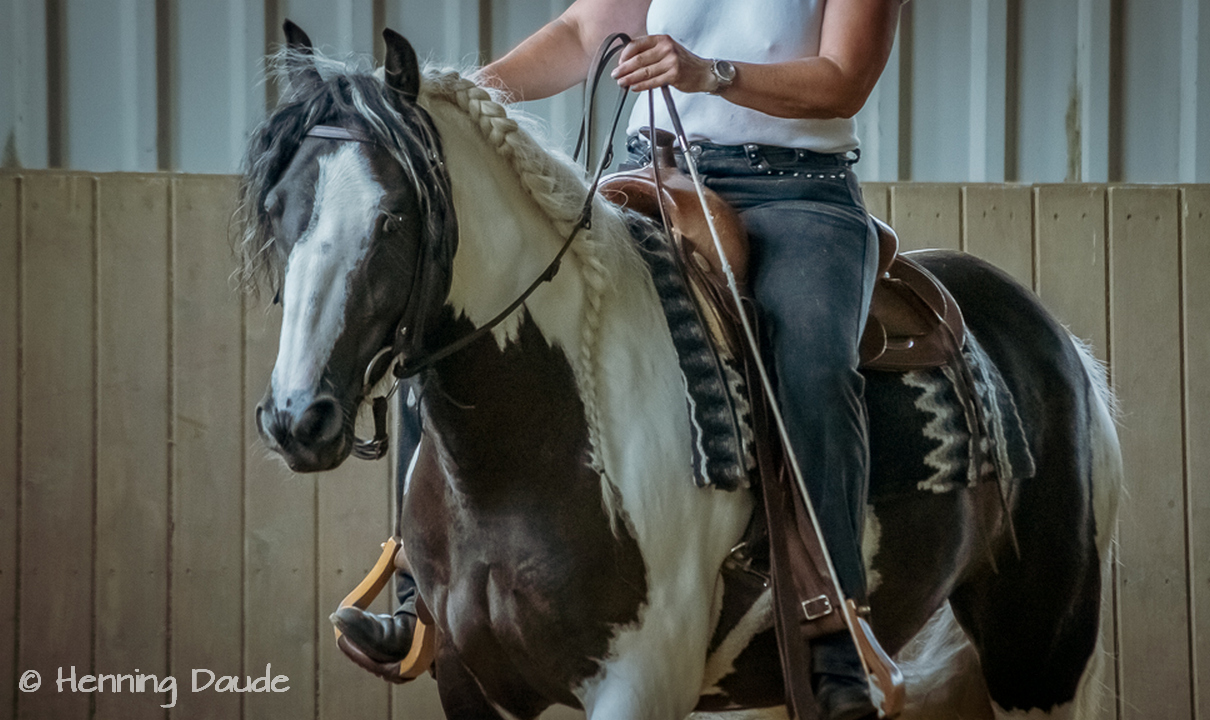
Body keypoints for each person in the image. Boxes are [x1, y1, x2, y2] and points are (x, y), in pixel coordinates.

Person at [339, 3, 905, 719]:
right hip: (648, 180)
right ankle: (419, 592)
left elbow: (843, 81)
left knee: (814, 368)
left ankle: (834, 626)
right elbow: (582, 34)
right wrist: (462, 99)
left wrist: (709, 74)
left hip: (794, 194)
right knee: (453, 318)